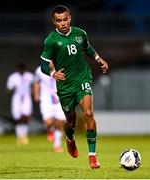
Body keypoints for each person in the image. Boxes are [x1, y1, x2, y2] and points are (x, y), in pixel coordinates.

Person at [40, 5, 109, 169]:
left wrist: (99, 60)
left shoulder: (80, 33)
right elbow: (43, 65)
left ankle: (92, 156)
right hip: (65, 86)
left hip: (82, 78)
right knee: (70, 122)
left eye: (65, 19)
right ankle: (69, 138)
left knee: (88, 113)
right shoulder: (51, 41)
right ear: (54, 22)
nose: (63, 23)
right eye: (59, 21)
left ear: (69, 18)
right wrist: (53, 74)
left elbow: (87, 48)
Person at [33, 65, 65, 153]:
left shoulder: (62, 67)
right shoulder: (40, 70)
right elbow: (36, 82)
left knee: (60, 122)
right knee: (49, 122)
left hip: (59, 98)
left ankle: (57, 145)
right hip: (46, 98)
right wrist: (36, 94)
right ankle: (50, 129)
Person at [6, 63, 34, 145]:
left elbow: (33, 86)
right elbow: (8, 90)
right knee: (18, 118)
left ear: (25, 68)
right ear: (18, 69)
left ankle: (24, 137)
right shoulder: (13, 77)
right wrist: (12, 89)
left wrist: (33, 93)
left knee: (26, 117)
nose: (21, 69)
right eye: (20, 68)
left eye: (23, 68)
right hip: (17, 98)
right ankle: (19, 137)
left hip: (26, 97)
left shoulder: (29, 76)